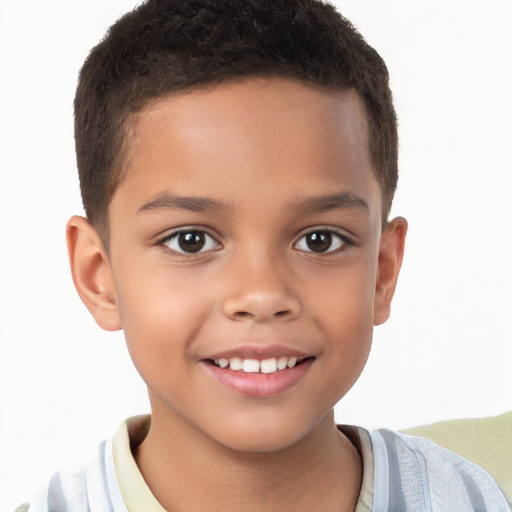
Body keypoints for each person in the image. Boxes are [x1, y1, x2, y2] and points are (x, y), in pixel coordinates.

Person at [14, 1, 510, 511]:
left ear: (382, 272)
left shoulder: (475, 498)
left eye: (320, 240)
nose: (262, 295)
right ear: (99, 276)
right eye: (191, 240)